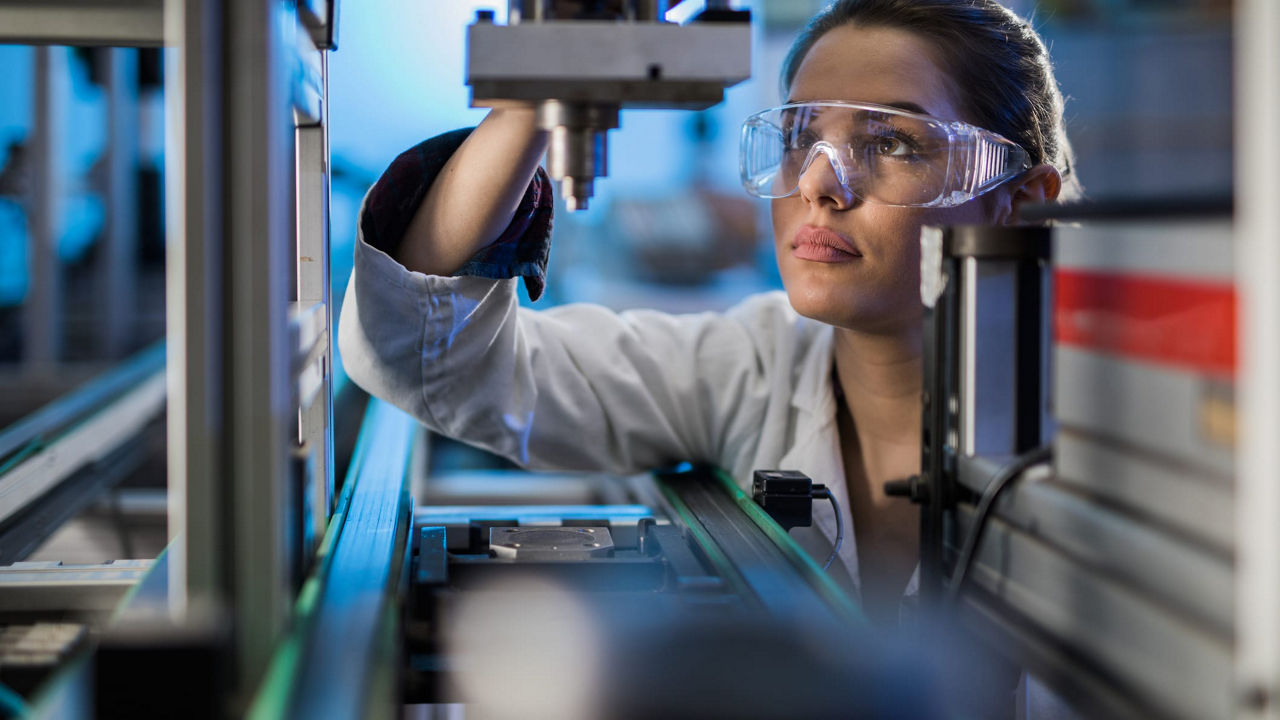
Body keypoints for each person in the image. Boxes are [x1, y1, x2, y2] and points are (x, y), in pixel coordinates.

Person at [339, 0, 1078, 627]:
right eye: (799, 138)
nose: (821, 183)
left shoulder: (1120, 437)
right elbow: (420, 348)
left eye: (890, 142)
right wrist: (544, 86)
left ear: (1020, 202)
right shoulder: (751, 367)